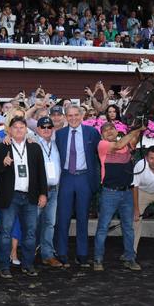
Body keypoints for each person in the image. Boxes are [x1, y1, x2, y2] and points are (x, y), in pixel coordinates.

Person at [0, 116, 48, 279]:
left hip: (30, 196)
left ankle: (28, 264)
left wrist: (43, 193)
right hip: (10, 197)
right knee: (5, 232)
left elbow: (41, 173)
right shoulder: (1, 148)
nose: (19, 130)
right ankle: (4, 266)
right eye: (15, 127)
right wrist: (4, 163)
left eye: (22, 127)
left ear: (26, 130)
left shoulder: (34, 148)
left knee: (30, 232)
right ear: (10, 130)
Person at [92, 122, 144, 272]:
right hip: (110, 193)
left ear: (116, 131)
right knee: (103, 227)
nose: (109, 132)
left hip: (127, 193)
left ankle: (130, 258)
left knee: (128, 228)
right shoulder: (102, 145)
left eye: (111, 129)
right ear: (102, 135)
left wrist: (139, 129)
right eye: (105, 130)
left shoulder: (126, 145)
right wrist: (137, 129)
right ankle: (98, 259)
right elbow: (119, 144)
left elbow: (133, 140)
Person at [54, 105, 101, 267]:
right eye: (69, 115)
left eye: (76, 115)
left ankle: (82, 254)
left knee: (82, 217)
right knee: (63, 217)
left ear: (82, 116)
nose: (73, 118)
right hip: (66, 177)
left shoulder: (92, 133)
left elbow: (101, 153)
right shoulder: (59, 134)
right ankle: (61, 252)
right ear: (66, 117)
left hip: (84, 178)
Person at [33, 116, 62, 267]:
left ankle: (47, 254)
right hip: (39, 191)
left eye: (49, 127)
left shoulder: (56, 144)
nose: (46, 130)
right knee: (33, 223)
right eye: (43, 127)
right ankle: (28, 255)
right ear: (37, 129)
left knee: (50, 223)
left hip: (54, 191)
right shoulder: (32, 142)